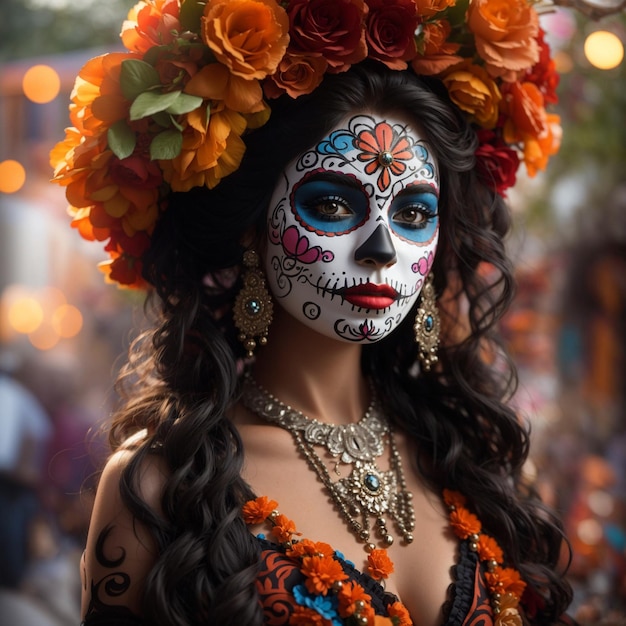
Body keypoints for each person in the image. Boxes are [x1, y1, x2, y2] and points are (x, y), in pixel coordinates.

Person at [50, 0, 574, 624]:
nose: (381, 249)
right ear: (252, 230)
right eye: (332, 205)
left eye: (411, 215)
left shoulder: (469, 453)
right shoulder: (159, 486)